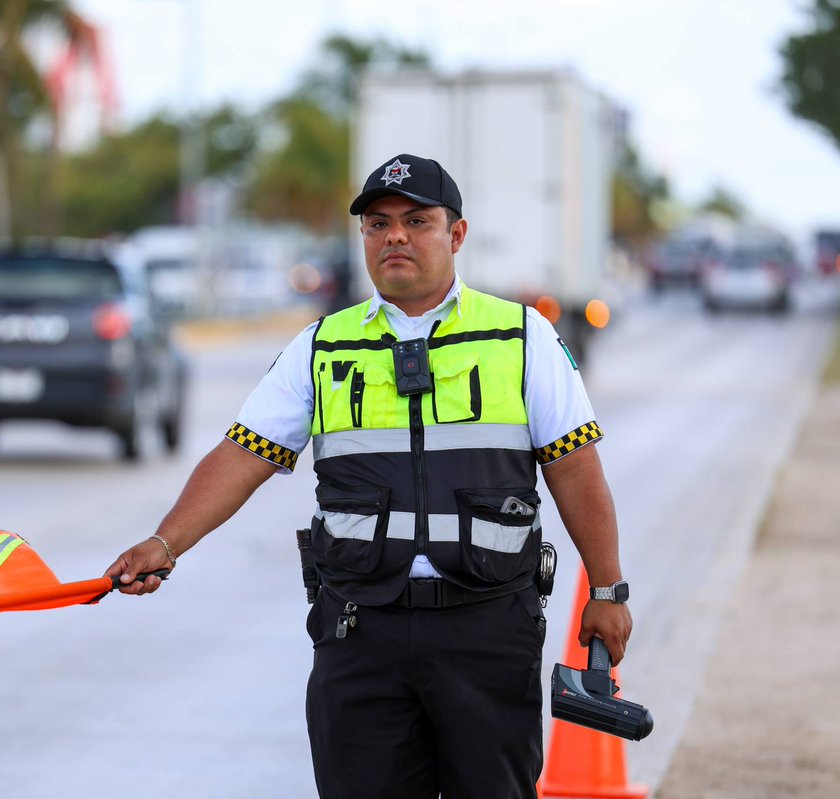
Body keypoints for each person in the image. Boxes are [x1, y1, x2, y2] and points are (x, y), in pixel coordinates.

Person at [105, 153, 633, 799]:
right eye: (378, 224)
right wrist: (165, 543)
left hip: (487, 627)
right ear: (363, 238)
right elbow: (244, 454)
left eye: (417, 220)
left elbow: (574, 465)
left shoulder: (520, 336)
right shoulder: (322, 344)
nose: (396, 237)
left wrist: (608, 588)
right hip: (360, 629)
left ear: (455, 234)